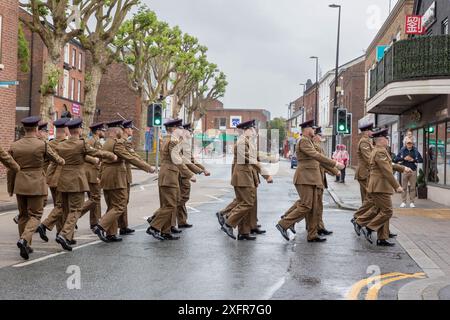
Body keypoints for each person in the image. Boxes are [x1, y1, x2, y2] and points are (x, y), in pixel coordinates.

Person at [276, 120, 344, 243]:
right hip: (304, 178)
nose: (314, 131)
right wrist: (335, 163)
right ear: (307, 129)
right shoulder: (303, 141)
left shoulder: (309, 142)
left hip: (311, 178)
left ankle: (312, 235)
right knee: (306, 205)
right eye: (312, 128)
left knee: (313, 207)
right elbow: (316, 156)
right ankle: (283, 223)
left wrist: (333, 170)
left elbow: (319, 160)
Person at [54, 118, 117, 251]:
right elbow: (97, 153)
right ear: (78, 130)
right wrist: (111, 156)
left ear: (69, 131)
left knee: (66, 210)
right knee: (75, 209)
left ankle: (68, 237)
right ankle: (64, 235)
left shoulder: (61, 145)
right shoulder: (81, 144)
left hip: (63, 181)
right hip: (76, 181)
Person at [9, 116, 65, 260]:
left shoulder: (15, 145)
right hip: (36, 183)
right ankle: (24, 240)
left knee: (22, 215)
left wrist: (10, 187)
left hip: (20, 183)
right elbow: (57, 159)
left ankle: (26, 244)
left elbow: (10, 168)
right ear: (35, 129)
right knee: (35, 215)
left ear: (24, 129)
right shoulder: (42, 145)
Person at [93, 120, 155, 243]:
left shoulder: (106, 143)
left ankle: (111, 233)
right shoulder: (117, 144)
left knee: (112, 206)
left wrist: (100, 176)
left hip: (107, 177)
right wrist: (148, 167)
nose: (123, 131)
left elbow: (102, 161)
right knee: (120, 205)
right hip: (116, 178)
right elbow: (130, 157)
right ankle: (100, 226)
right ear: (116, 131)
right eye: (121, 129)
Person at [354, 128, 410, 247]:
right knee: (387, 211)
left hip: (379, 185)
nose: (388, 140)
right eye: (386, 138)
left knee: (378, 209)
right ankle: (368, 227)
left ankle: (380, 236)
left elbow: (388, 165)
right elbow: (386, 171)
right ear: (381, 140)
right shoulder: (380, 151)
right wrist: (397, 186)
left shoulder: (380, 150)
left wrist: (403, 168)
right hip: (379, 186)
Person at [220, 120, 273, 241]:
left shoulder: (247, 141)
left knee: (246, 203)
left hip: (246, 176)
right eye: (253, 129)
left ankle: (243, 232)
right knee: (247, 203)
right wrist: (266, 174)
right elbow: (251, 160)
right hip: (242, 177)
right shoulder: (242, 142)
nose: (254, 131)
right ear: (247, 129)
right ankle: (228, 223)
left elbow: (255, 157)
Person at [146, 119, 196, 241]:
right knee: (170, 205)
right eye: (180, 128)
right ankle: (154, 226)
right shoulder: (173, 142)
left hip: (168, 175)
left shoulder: (167, 140)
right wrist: (190, 174)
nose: (182, 130)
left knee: (169, 204)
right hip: (170, 175)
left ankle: (165, 231)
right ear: (174, 129)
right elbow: (178, 160)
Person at [176, 123, 210, 229]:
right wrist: (199, 171)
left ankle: (182, 221)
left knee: (181, 199)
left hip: (184, 173)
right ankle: (157, 217)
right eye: (190, 131)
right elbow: (186, 161)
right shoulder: (182, 143)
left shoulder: (184, 142)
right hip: (182, 174)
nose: (191, 133)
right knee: (181, 199)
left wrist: (203, 169)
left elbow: (191, 160)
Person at [79, 122, 106, 230]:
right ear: (97, 131)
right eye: (102, 130)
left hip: (94, 172)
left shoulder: (96, 141)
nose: (104, 132)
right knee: (95, 197)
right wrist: (94, 160)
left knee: (95, 198)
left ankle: (95, 222)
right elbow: (84, 155)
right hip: (91, 173)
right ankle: (76, 214)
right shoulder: (90, 141)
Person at [394, 138, 423, 208]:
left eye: (410, 143)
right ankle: (403, 202)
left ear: (412, 144)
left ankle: (412, 202)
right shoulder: (402, 150)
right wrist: (404, 158)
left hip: (413, 170)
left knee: (413, 187)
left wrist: (413, 160)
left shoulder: (415, 151)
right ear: (405, 144)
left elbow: (421, 160)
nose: (409, 145)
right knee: (404, 187)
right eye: (408, 143)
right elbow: (395, 159)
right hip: (404, 170)